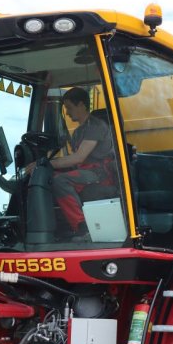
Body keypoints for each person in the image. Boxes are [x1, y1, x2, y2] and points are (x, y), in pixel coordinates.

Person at [24, 87, 116, 240]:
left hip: (100, 173)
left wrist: (45, 163)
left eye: (69, 108)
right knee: (47, 176)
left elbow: (78, 158)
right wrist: (45, 167)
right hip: (86, 172)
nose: (66, 112)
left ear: (81, 105)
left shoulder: (95, 127)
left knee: (60, 180)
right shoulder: (80, 131)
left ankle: (82, 226)